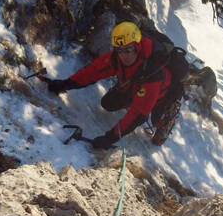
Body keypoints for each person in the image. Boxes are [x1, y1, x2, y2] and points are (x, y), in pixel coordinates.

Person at [47, 22, 182, 149]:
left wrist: (110, 138)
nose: (124, 55)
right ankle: (136, 99)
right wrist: (65, 84)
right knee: (109, 103)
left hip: (162, 95)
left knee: (157, 123)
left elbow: (138, 115)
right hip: (136, 86)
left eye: (128, 49)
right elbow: (92, 72)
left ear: (137, 46)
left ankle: (167, 120)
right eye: (119, 50)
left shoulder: (153, 72)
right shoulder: (117, 58)